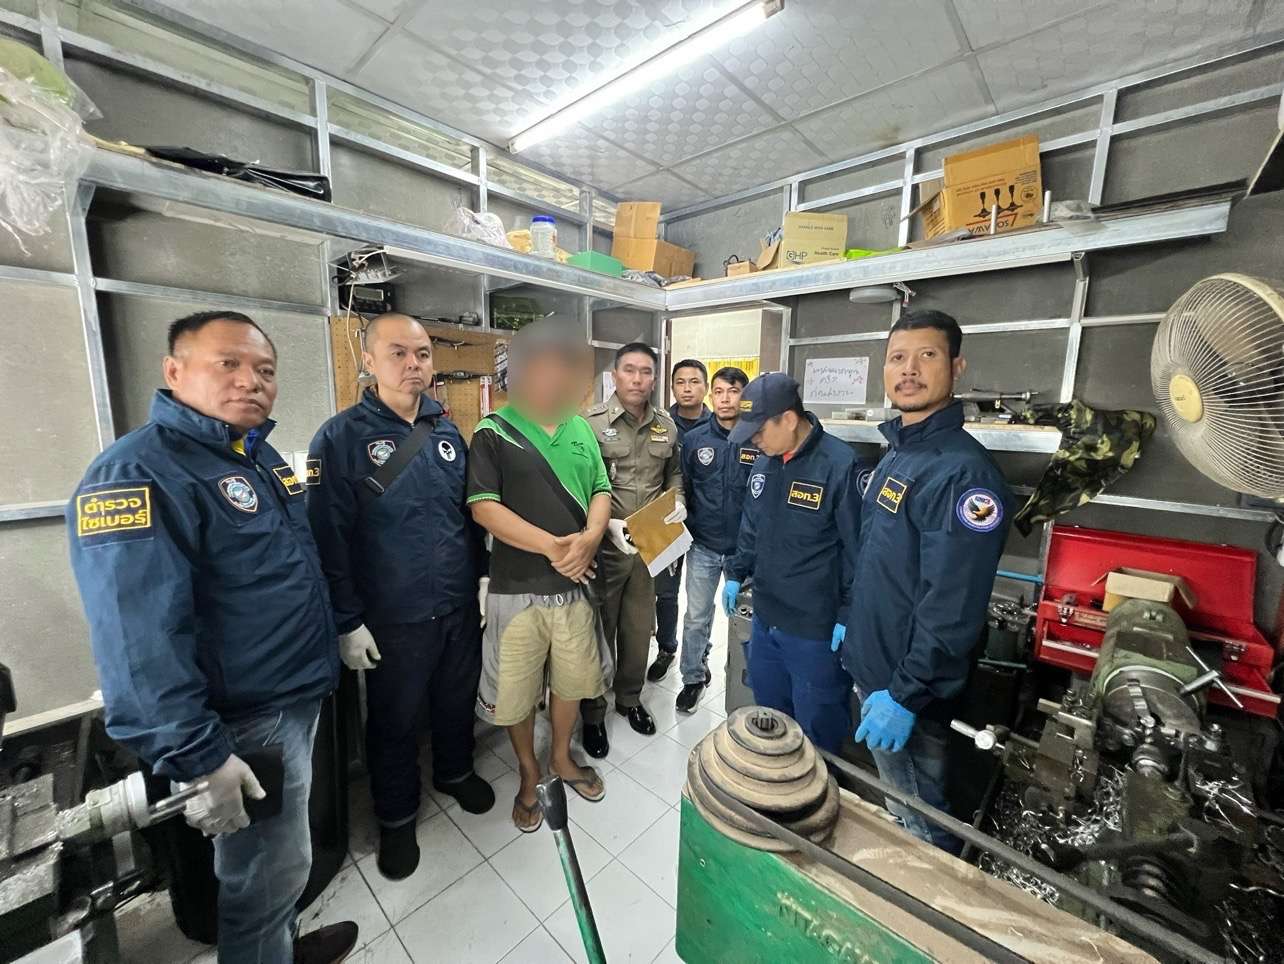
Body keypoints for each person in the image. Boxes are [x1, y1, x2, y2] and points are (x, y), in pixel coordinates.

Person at [65, 311, 357, 964]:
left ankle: (279, 948)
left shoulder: (257, 456)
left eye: (265, 369)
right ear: (174, 371)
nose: (251, 381)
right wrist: (199, 757)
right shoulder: (136, 474)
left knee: (282, 863)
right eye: (229, 364)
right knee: (262, 876)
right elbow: (137, 645)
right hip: (241, 725)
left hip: (290, 696)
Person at [306, 313, 493, 881]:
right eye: (398, 353)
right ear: (369, 361)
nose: (414, 364)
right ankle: (396, 816)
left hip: (456, 604)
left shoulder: (446, 431)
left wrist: (482, 576)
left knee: (455, 700)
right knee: (394, 720)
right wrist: (347, 621)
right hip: (391, 615)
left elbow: (468, 516)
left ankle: (454, 772)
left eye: (422, 354)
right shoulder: (339, 439)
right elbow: (328, 538)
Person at [842, 310, 1013, 853]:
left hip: (908, 690)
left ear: (957, 367)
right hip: (878, 669)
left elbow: (952, 605)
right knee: (901, 800)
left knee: (921, 814)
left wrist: (905, 694)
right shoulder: (901, 452)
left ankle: (934, 894)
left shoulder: (962, 473)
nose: (909, 370)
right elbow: (879, 561)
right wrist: (851, 621)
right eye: (897, 358)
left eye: (927, 356)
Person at [467, 320, 611, 831]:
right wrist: (554, 547)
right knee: (517, 692)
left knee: (572, 683)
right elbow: (483, 507)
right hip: (517, 590)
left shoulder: (580, 428)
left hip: (575, 588)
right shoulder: (493, 431)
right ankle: (529, 774)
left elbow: (600, 488)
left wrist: (590, 537)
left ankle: (562, 758)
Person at [722, 372, 861, 753]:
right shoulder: (765, 462)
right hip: (766, 618)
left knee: (817, 731)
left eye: (759, 430)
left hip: (814, 630)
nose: (754, 440)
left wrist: (848, 613)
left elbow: (858, 550)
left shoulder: (840, 464)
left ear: (788, 418)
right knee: (771, 719)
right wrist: (736, 572)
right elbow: (752, 526)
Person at [584, 343, 685, 757]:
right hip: (605, 545)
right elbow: (579, 484)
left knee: (639, 627)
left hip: (649, 542)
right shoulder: (590, 424)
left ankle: (628, 698)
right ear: (615, 375)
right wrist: (600, 527)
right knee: (599, 629)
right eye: (629, 370)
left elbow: (673, 473)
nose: (638, 379)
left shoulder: (666, 426)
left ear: (654, 379)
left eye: (646, 372)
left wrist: (678, 500)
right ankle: (593, 711)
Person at [672, 366, 755, 712]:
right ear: (711, 395)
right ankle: (693, 678)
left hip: (746, 552)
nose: (725, 399)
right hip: (703, 545)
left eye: (733, 391)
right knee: (696, 616)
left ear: (744, 397)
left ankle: (745, 683)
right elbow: (684, 485)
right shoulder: (695, 440)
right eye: (719, 391)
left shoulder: (759, 438)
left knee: (747, 623)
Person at [648, 358, 711, 684]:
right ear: (671, 387)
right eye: (680, 382)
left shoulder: (719, 424)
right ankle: (666, 648)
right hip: (667, 520)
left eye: (694, 381)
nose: (687, 388)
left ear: (705, 387)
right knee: (666, 593)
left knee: (701, 599)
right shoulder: (659, 423)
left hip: (706, 522)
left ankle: (700, 654)